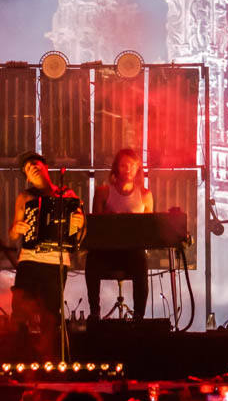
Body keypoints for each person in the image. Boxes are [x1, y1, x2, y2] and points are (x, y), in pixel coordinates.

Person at [9, 151, 84, 355]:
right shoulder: (25, 197)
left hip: (56, 261)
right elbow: (12, 233)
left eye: (34, 164)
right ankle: (16, 357)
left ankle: (47, 360)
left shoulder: (68, 195)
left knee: (50, 314)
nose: (31, 168)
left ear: (45, 167)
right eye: (27, 169)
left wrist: (79, 223)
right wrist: (19, 228)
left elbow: (81, 232)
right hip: (29, 258)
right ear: (27, 177)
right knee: (20, 311)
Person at [86, 148, 154, 321]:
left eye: (132, 165)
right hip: (107, 251)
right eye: (124, 165)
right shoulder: (103, 192)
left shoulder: (145, 195)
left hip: (133, 252)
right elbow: (96, 226)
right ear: (117, 168)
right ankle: (95, 312)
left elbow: (148, 229)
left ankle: (139, 315)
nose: (128, 169)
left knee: (141, 260)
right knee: (92, 259)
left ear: (138, 167)